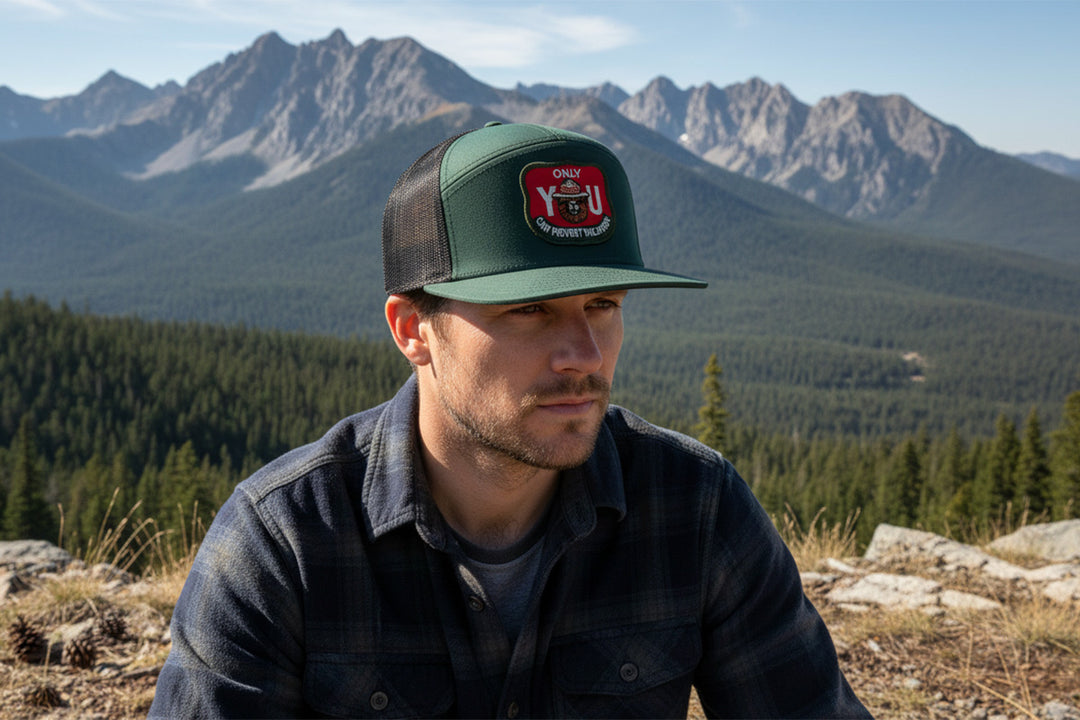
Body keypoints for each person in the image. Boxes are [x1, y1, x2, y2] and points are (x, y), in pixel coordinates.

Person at [149, 122, 870, 718]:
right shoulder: (285, 543)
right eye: (529, 310)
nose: (584, 356)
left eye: (604, 305)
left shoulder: (695, 504)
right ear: (413, 329)